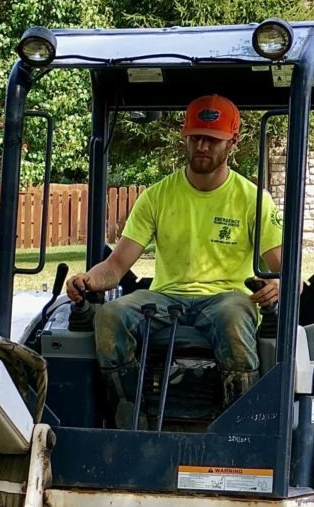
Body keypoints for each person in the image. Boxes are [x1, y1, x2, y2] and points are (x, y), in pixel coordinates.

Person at [65, 94, 283, 422]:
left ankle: (240, 423)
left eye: (212, 140)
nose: (202, 146)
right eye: (195, 137)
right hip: (167, 299)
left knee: (233, 317)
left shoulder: (253, 201)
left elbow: (287, 270)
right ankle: (130, 415)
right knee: (110, 315)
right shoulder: (158, 195)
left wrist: (279, 286)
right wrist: (88, 280)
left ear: (232, 142)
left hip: (227, 299)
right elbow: (116, 265)